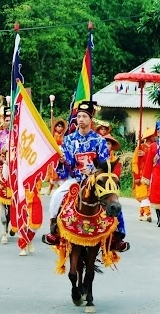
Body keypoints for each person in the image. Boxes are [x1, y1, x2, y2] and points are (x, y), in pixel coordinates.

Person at [42, 101, 130, 252]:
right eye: (79, 116)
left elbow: (103, 163)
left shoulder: (100, 140)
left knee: (112, 199)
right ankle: (54, 231)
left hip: (95, 180)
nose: (81, 119)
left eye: (84, 116)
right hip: (75, 180)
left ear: (90, 119)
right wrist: (63, 161)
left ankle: (117, 236)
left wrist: (92, 173)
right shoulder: (69, 140)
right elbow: (68, 164)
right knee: (56, 196)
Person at [132, 127, 157, 222]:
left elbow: (156, 161)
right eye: (153, 135)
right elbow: (135, 163)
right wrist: (136, 177)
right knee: (144, 194)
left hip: (152, 174)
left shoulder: (155, 147)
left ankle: (141, 213)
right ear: (149, 136)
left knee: (149, 195)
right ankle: (148, 213)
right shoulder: (140, 147)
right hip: (141, 175)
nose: (155, 136)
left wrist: (145, 155)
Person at [45, 119, 67, 194]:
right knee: (53, 172)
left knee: (62, 171)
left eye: (61, 127)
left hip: (62, 155)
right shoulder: (52, 136)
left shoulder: (64, 136)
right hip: (54, 155)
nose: (60, 128)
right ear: (55, 127)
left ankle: (59, 188)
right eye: (59, 126)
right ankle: (50, 186)